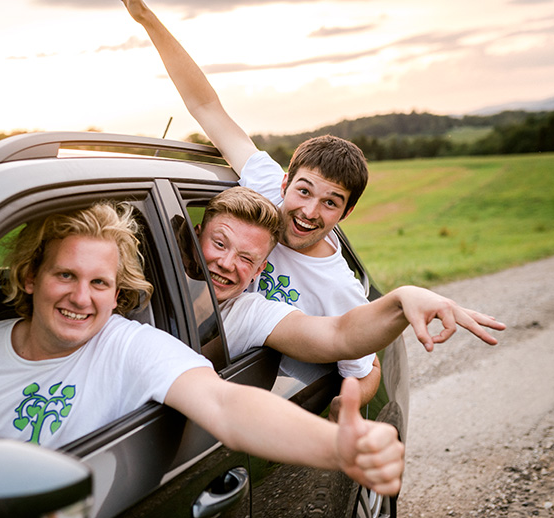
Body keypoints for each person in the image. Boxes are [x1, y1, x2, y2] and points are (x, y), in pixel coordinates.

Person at [0, 202, 405, 495]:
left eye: (100, 283)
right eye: (66, 275)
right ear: (30, 276)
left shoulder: (132, 348)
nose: (82, 298)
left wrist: (335, 446)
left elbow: (226, 404)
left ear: (117, 292)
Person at [123, 0, 382, 404]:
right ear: (284, 183)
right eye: (303, 191)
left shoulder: (339, 289)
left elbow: (366, 369)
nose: (310, 211)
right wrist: (148, 20)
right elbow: (206, 106)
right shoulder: (263, 184)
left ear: (346, 213)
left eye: (331, 203)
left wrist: (344, 411)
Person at [190, 186, 504, 366]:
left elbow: (340, 334)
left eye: (246, 258)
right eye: (219, 244)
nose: (228, 263)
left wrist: (402, 298)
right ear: (196, 235)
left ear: (260, 270)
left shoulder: (250, 312)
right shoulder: (143, 281)